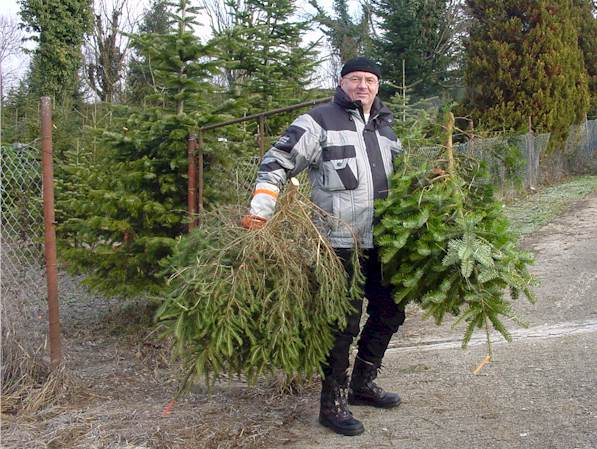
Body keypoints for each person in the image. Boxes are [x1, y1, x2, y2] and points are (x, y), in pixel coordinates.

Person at [241, 56, 405, 436]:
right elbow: (276, 162)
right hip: (338, 245)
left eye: (369, 80)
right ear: (341, 82)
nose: (362, 85)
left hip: (386, 242)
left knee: (390, 311)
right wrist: (260, 211)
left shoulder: (387, 128)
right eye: (355, 79)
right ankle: (332, 404)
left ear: (377, 86)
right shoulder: (318, 122)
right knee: (341, 325)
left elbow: (404, 178)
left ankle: (363, 383)